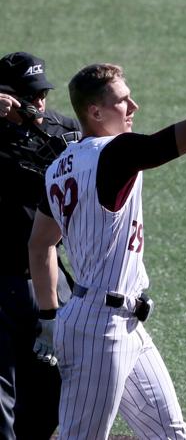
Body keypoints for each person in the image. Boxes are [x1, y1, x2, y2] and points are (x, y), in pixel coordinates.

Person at [27, 36, 186, 438]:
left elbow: (40, 242)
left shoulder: (58, 166)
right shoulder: (116, 153)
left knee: (171, 434)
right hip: (100, 330)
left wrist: (48, 317)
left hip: (120, 323)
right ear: (94, 111)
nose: (134, 107)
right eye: (122, 101)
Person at [0, 51, 81, 440]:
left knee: (53, 388)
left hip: (47, 278)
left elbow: (99, 151)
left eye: (42, 93)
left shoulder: (60, 128)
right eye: (29, 96)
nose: (39, 103)